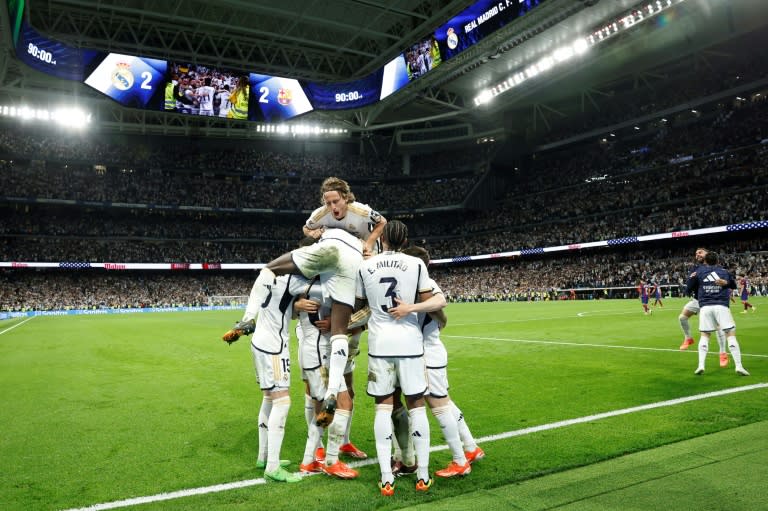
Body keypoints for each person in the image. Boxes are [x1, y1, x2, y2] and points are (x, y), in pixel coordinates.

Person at [354, 220, 443, 496]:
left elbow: (360, 305)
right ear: (405, 241)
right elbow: (436, 302)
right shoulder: (417, 265)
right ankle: (423, 476)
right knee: (416, 406)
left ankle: (386, 479)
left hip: (380, 345)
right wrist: (410, 308)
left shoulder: (365, 266)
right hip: (410, 344)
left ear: (384, 241)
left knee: (383, 407)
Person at [394, 245, 484, 477]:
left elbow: (439, 303)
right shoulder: (419, 284)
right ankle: (471, 447)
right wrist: (441, 320)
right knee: (445, 402)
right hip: (430, 351)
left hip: (426, 353)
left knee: (438, 406)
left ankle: (459, 460)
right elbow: (439, 312)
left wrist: (410, 309)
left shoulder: (424, 284)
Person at [221, 273, 309, 483]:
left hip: (259, 343)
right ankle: (273, 466)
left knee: (269, 398)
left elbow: (289, 310)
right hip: (274, 347)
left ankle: (263, 457)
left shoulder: (270, 277)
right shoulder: (295, 281)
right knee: (283, 402)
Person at [293, 272, 363, 479]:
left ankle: (309, 460)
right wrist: (340, 323)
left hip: (317, 350)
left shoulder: (305, 284)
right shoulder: (330, 284)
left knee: (323, 406)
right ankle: (331, 460)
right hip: (323, 353)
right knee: (342, 403)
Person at [686, 251, 749, 376]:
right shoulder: (724, 272)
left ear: (705, 261)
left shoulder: (699, 272)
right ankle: (739, 366)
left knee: (704, 336)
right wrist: (725, 283)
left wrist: (694, 284)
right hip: (721, 306)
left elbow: (688, 288)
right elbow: (734, 285)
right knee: (730, 334)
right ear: (718, 261)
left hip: (705, 307)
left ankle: (700, 365)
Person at [303, 176, 387, 259]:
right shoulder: (320, 214)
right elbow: (306, 228)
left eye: (335, 201)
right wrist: (311, 233)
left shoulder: (360, 210)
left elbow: (382, 221)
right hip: (344, 250)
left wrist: (369, 244)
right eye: (328, 203)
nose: (332, 207)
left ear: (346, 198)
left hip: (366, 248)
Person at [678, 247, 729, 367]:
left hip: (712, 301)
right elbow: (689, 285)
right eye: (696, 254)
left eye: (700, 252)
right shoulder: (695, 268)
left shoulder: (717, 268)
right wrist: (692, 279)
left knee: (718, 327)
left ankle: (722, 353)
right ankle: (688, 338)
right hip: (698, 300)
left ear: (708, 254)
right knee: (682, 318)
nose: (697, 255)